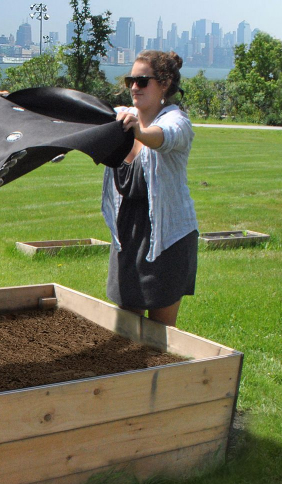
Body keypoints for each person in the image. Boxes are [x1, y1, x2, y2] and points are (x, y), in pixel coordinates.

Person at [104, 50, 198, 327]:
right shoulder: (121, 118)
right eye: (130, 80)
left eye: (143, 81)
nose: (134, 87)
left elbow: (165, 137)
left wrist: (139, 133)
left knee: (161, 334)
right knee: (126, 328)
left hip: (168, 237)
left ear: (165, 83)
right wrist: (19, 106)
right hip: (126, 234)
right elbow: (75, 114)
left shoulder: (177, 121)